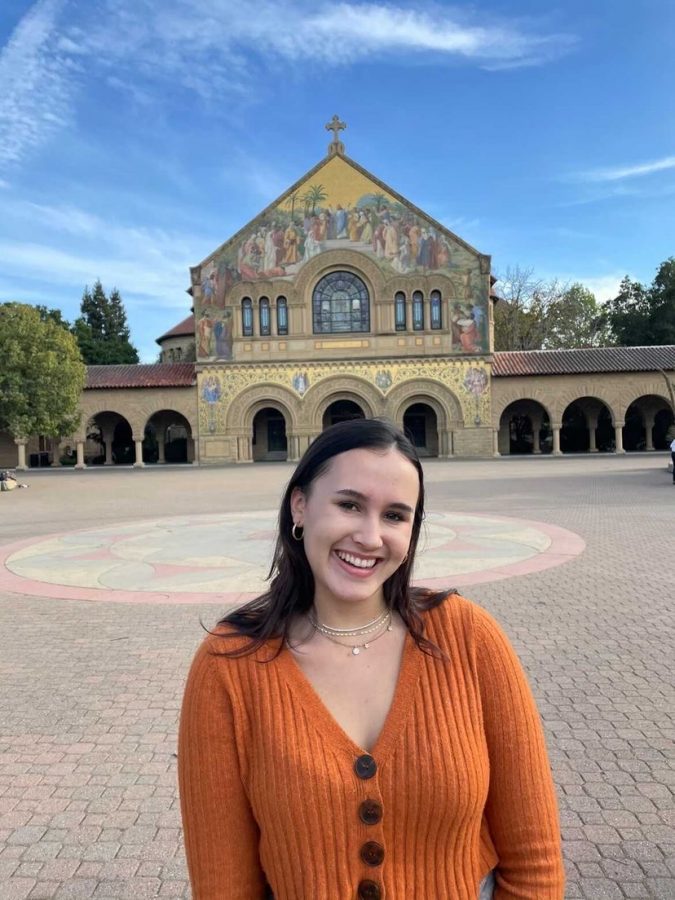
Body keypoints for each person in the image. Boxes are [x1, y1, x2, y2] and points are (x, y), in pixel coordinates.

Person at [178, 419, 565, 899]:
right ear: (300, 505)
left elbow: (535, 865)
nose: (369, 536)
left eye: (395, 516)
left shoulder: (469, 639)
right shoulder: (228, 665)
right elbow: (224, 887)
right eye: (349, 505)